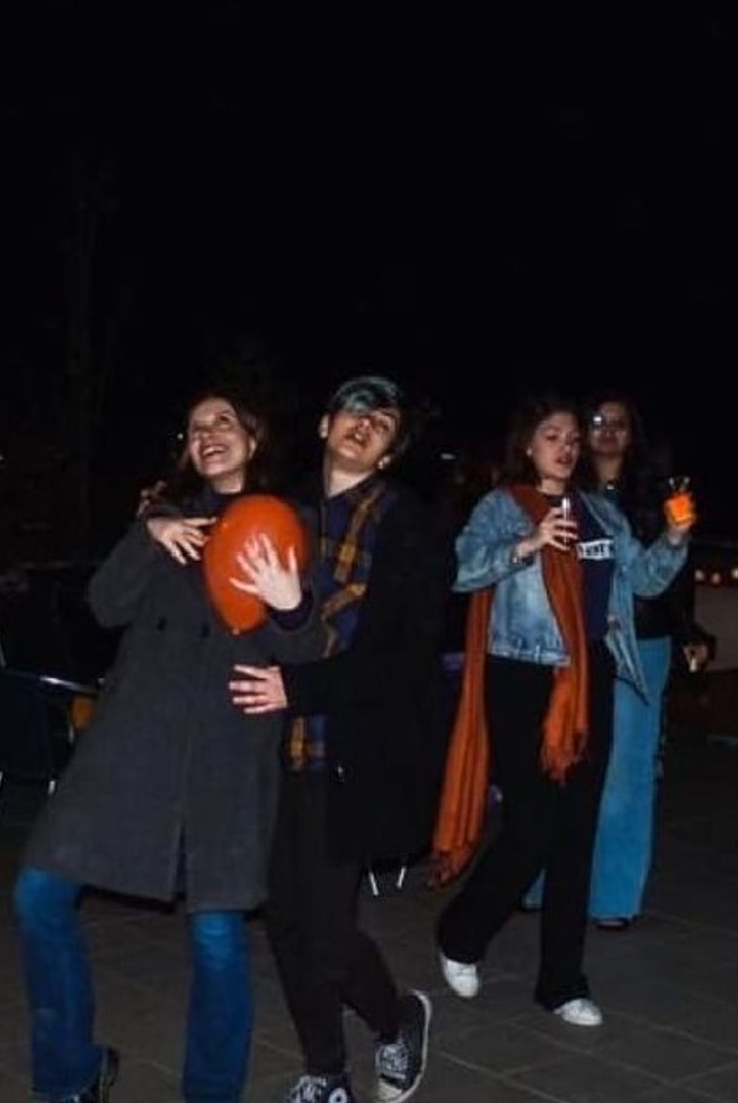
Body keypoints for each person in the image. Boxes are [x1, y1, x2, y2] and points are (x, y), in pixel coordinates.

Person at [14, 392, 324, 1103]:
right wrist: (148, 532)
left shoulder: (290, 519)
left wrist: (291, 605)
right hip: (131, 741)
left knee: (216, 933)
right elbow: (104, 607)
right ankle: (70, 1072)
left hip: (226, 749)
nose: (207, 433)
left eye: (223, 422)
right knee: (37, 894)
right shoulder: (166, 519)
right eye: (194, 427)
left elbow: (307, 648)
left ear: (253, 438)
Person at [432, 393, 694, 1026]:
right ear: (528, 444)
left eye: (573, 438)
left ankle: (562, 983)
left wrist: (675, 536)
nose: (568, 447)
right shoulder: (503, 506)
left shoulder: (599, 511)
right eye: (554, 436)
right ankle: (461, 932)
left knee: (576, 830)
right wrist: (529, 541)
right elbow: (461, 570)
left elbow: (644, 581)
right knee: (532, 826)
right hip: (523, 676)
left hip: (590, 677)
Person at [229, 374, 450, 1103]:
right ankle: (325, 1071)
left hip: (349, 752)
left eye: (383, 423)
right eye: (356, 410)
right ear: (325, 426)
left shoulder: (409, 527)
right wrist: (162, 520)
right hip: (269, 749)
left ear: (389, 453)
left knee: (325, 930)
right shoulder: (279, 510)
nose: (366, 424)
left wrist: (301, 688)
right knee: (283, 921)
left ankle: (396, 1018)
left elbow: (405, 657)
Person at [529, 393, 707, 929]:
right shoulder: (561, 486)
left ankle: (612, 895)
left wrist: (689, 630)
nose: (607, 431)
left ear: (634, 434)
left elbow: (670, 573)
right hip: (571, 640)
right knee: (556, 759)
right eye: (596, 422)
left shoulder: (655, 494)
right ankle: (537, 877)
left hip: (641, 640)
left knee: (626, 772)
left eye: (619, 424)